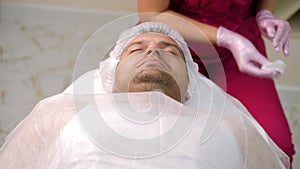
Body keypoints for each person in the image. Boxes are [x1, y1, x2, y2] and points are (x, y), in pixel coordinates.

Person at [0, 22, 290, 169]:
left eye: (171, 50)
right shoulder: (58, 117)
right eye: (137, 49)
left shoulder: (236, 130)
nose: (153, 51)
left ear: (190, 83)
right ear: (110, 76)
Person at [137, 0, 295, 165]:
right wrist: (225, 38)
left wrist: (264, 14)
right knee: (176, 145)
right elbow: (152, 14)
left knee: (275, 145)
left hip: (241, 42)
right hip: (172, 45)